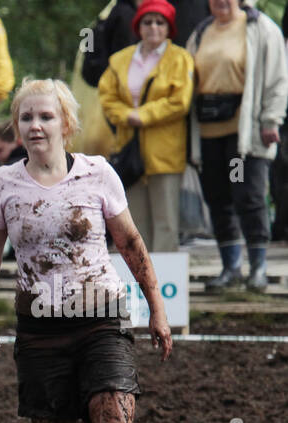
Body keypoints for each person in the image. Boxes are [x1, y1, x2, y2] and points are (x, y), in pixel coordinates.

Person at [0, 78, 173, 423]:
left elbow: (131, 245)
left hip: (101, 319)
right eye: (26, 118)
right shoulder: (3, 183)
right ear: (17, 127)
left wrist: (157, 309)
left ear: (66, 123)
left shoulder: (98, 174)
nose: (35, 126)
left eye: (45, 116)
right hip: (40, 328)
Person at [187, 0, 287, 292]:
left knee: (247, 195)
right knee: (218, 199)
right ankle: (230, 267)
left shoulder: (260, 27)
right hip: (208, 132)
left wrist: (271, 119)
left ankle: (258, 268)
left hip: (242, 135)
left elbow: (278, 79)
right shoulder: (202, 30)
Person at [97, 0, 194, 254]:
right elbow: (107, 97)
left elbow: (180, 102)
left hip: (165, 153)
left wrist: (144, 115)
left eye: (159, 22)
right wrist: (127, 115)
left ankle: (163, 285)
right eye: (147, 22)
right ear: (138, 26)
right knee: (134, 222)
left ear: (168, 28)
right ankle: (137, 281)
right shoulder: (119, 60)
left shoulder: (181, 59)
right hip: (129, 152)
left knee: (166, 222)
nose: (153, 27)